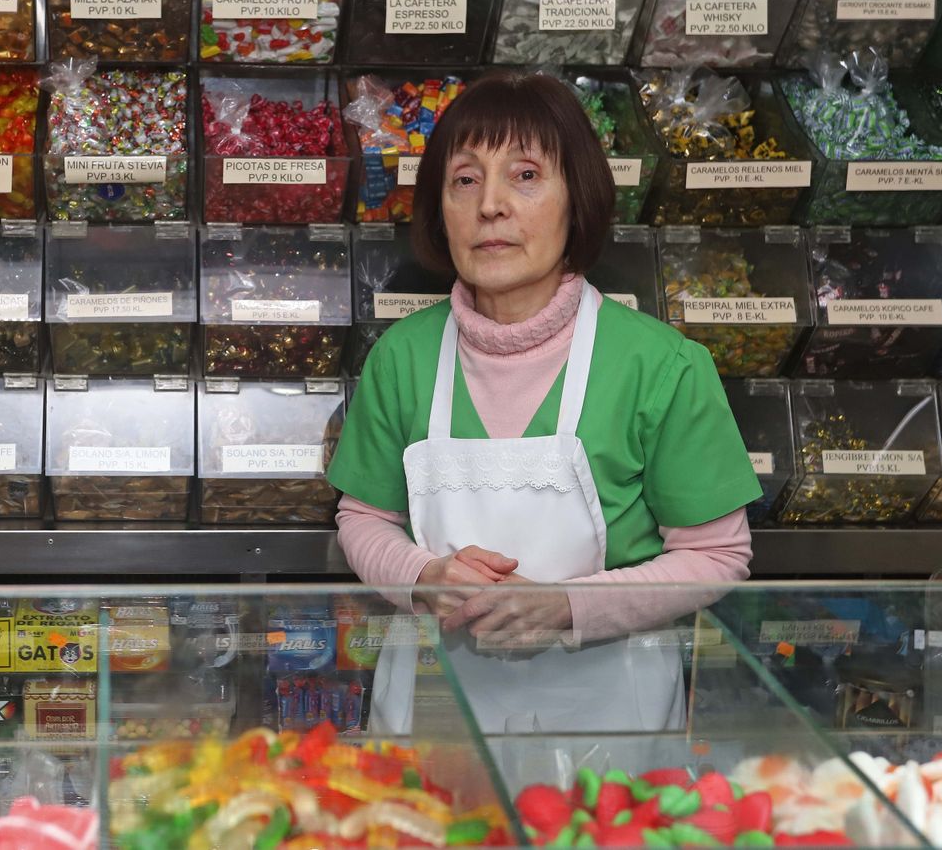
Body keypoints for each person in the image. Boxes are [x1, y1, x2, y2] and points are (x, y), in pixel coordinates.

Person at [326, 72, 763, 736]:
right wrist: (423, 576)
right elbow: (362, 520)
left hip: (611, 725)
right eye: (465, 180)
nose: (491, 206)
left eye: (525, 175)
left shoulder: (661, 366)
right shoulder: (402, 358)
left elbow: (718, 555)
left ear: (576, 200)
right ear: (439, 210)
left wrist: (567, 605)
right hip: (435, 717)